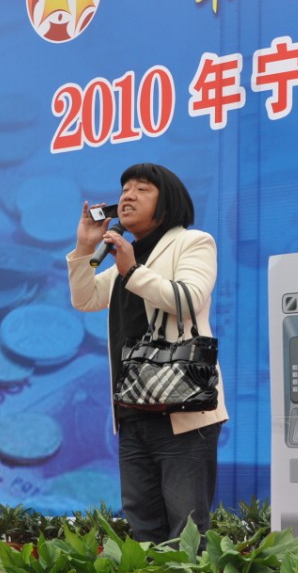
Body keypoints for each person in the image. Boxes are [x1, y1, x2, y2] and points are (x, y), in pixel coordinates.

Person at [66, 163, 228, 551]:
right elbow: (85, 298)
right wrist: (86, 249)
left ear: (167, 202)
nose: (128, 195)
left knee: (186, 529)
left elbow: (189, 299)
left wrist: (132, 271)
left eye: (142, 189)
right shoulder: (124, 256)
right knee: (143, 525)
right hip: (133, 410)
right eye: (124, 189)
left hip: (182, 411)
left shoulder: (192, 242)